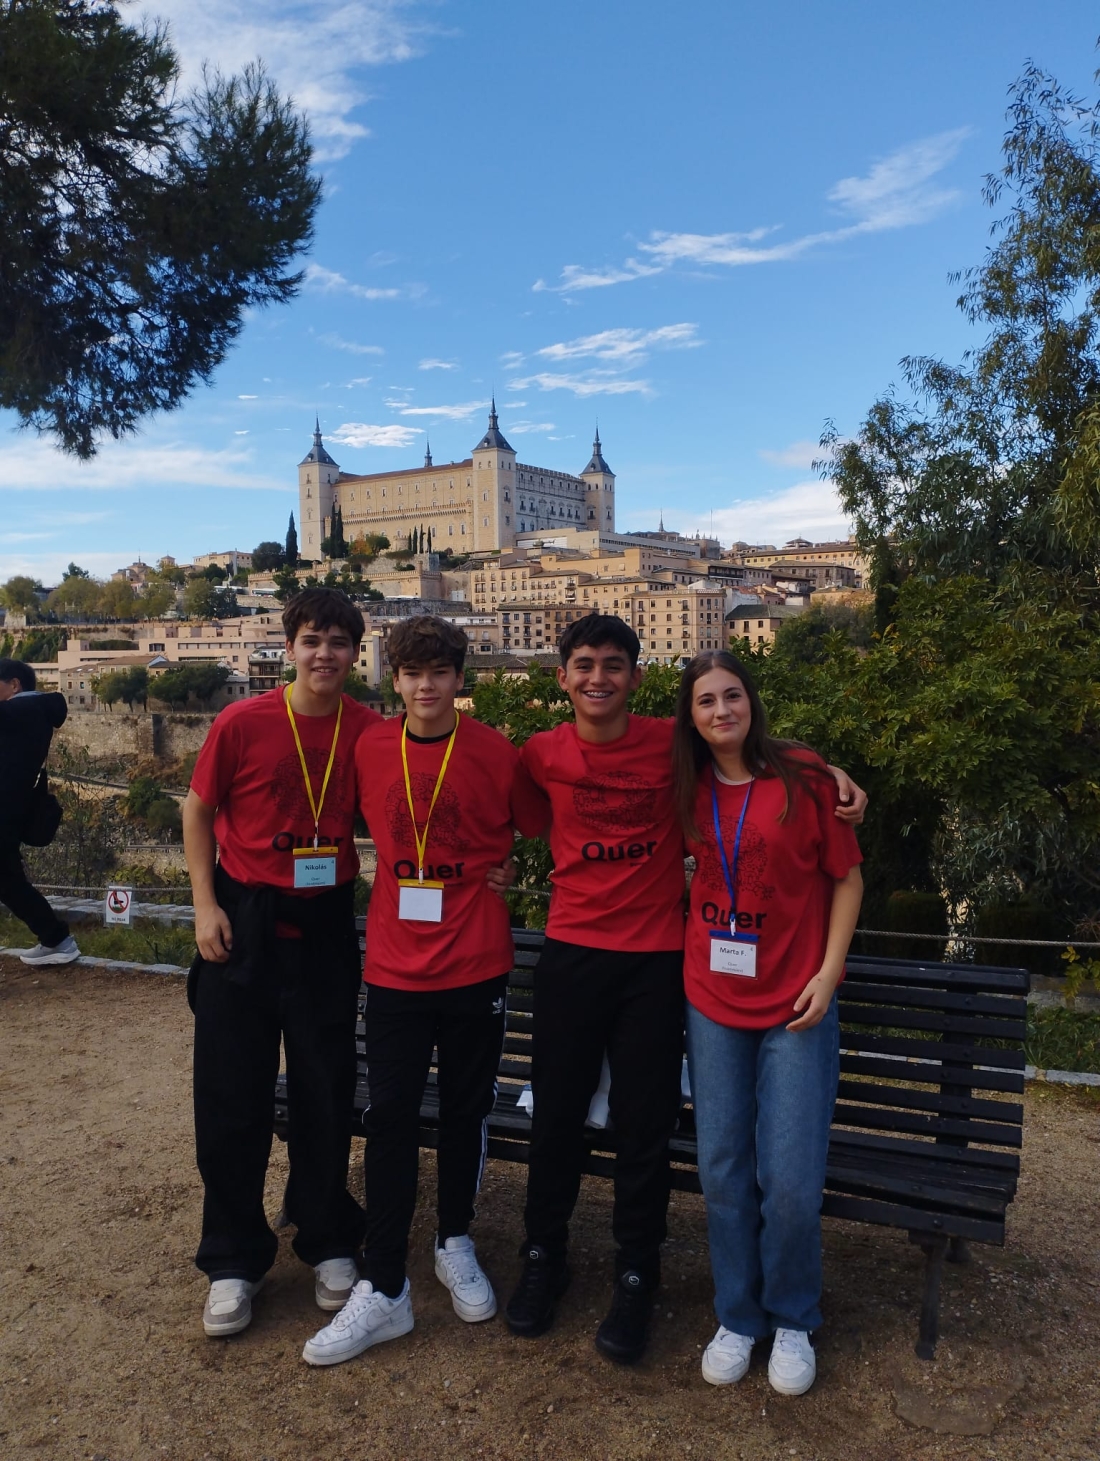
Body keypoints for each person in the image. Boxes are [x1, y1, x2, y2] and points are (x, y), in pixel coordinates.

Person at [503, 616, 866, 1366]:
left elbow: (804, 818)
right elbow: (518, 821)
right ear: (561, 676)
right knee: (581, 1128)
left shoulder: (718, 761)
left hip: (666, 965)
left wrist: (833, 777)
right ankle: (550, 1259)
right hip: (602, 960)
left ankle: (657, 1280)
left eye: (613, 664)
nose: (597, 677)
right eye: (583, 665)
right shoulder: (556, 755)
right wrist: (490, 868)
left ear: (637, 680)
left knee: (663, 1136)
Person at [302, 616, 541, 1366]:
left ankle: (455, 1238)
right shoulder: (369, 744)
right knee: (392, 1115)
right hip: (397, 965)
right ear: (395, 679)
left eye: (440, 671)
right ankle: (385, 1284)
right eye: (413, 673)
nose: (427, 685)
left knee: (467, 1109)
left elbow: (549, 821)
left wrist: (514, 871)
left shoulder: (498, 752)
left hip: (476, 961)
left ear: (458, 678)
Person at [183, 588, 382, 1339]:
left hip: (326, 916)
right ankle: (233, 1257)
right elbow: (197, 810)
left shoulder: (367, 729)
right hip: (247, 912)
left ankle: (329, 1235)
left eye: (338, 640)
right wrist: (206, 905)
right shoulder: (243, 720)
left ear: (354, 651)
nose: (325, 652)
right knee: (230, 1092)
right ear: (289, 647)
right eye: (312, 639)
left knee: (327, 1085)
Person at [672, 650, 863, 1396]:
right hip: (711, 997)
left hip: (795, 1001)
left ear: (752, 701)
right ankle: (737, 1315)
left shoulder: (806, 777)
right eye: (705, 701)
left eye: (732, 695)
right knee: (721, 1168)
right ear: (689, 716)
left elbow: (847, 880)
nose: (721, 710)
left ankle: (791, 1316)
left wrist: (828, 973)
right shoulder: (683, 788)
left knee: (787, 1177)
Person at [0, 658, 80, 965]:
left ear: (14, 685)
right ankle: (56, 939)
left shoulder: (23, 710)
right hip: (9, 813)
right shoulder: (29, 713)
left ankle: (57, 939)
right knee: (8, 884)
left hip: (4, 813)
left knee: (9, 883)